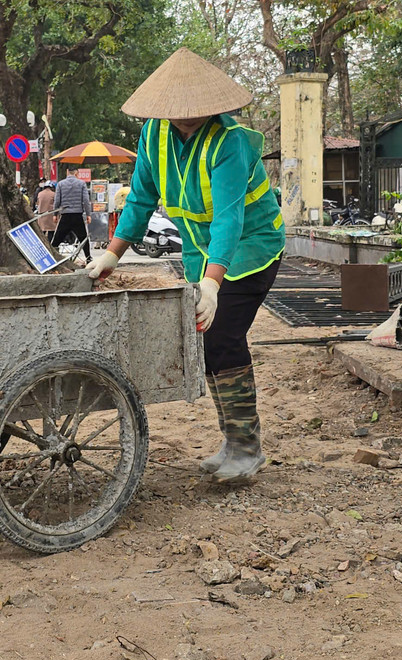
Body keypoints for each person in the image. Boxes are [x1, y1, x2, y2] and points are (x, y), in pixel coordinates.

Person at [83, 48, 285, 483]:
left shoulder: (230, 142)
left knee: (223, 337)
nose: (187, 118)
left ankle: (247, 448)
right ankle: (234, 442)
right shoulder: (154, 137)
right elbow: (139, 199)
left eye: (196, 112)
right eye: (178, 112)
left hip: (250, 249)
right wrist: (112, 254)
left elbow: (230, 217)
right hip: (200, 252)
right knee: (208, 344)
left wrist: (213, 285)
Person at [52, 170, 92, 261]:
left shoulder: (60, 184)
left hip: (65, 215)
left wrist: (55, 214)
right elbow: (86, 200)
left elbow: (57, 200)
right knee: (83, 238)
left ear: (67, 172)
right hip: (78, 215)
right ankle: (88, 257)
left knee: (57, 238)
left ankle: (52, 257)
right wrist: (88, 214)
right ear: (76, 173)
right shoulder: (82, 184)